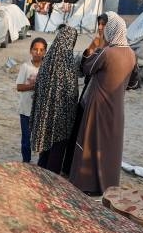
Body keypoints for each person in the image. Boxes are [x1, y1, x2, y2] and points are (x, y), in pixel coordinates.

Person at [69, 12, 135, 196]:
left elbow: (86, 67)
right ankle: (108, 184)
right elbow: (133, 83)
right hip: (117, 108)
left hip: (98, 105)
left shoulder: (107, 53)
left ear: (111, 29)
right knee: (110, 146)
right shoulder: (131, 54)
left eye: (105, 27)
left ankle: (85, 183)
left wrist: (94, 47)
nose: (101, 30)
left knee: (90, 143)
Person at [31, 26, 80, 175]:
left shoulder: (47, 60)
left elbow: (39, 87)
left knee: (45, 149)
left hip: (45, 116)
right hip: (61, 119)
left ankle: (41, 172)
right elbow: (72, 93)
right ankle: (51, 179)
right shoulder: (68, 63)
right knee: (57, 151)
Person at [16, 37, 47, 162]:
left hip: (41, 111)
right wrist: (34, 86)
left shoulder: (47, 67)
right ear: (30, 51)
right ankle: (26, 162)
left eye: (41, 50)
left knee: (41, 139)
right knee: (26, 139)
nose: (38, 52)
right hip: (26, 110)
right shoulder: (25, 67)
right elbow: (19, 87)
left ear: (45, 52)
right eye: (35, 49)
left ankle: (41, 164)